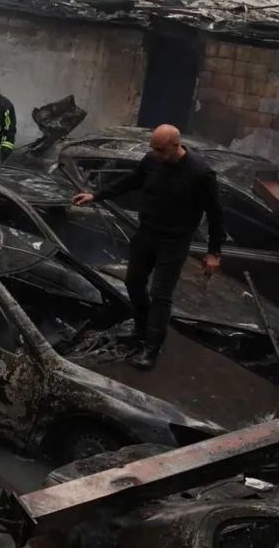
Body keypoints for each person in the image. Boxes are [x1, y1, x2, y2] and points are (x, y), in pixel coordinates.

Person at [71, 125, 224, 370]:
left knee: (160, 295)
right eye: (153, 149)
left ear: (176, 146)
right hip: (147, 233)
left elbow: (216, 214)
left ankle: (152, 347)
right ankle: (141, 327)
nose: (155, 154)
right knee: (133, 282)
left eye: (160, 150)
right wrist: (96, 195)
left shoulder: (200, 173)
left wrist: (214, 252)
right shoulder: (152, 160)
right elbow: (131, 180)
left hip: (174, 241)